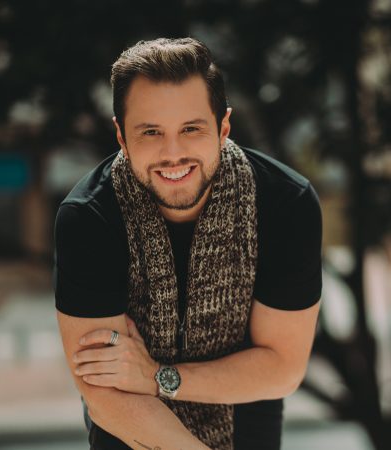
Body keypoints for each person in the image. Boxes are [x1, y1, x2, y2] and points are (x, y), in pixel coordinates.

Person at [54, 37, 322, 450]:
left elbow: (282, 367)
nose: (173, 153)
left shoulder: (285, 204)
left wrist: (156, 377)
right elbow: (104, 393)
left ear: (223, 128)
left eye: (191, 129)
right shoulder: (89, 218)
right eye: (151, 132)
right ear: (121, 136)